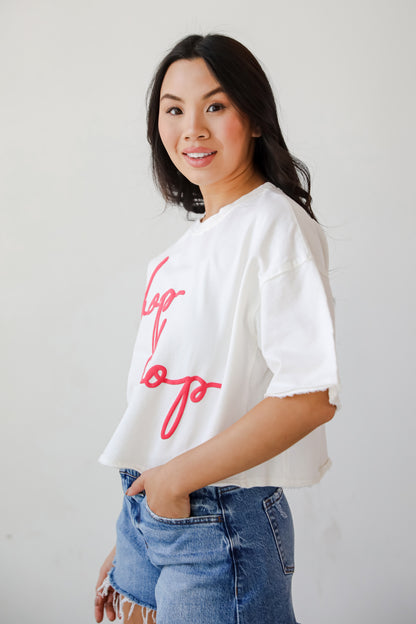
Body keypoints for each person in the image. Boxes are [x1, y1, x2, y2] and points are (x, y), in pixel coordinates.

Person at [94, 33, 340, 624]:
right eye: (174, 110)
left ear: (252, 117)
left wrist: (174, 484)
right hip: (152, 514)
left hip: (218, 520)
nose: (192, 129)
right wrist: (138, 530)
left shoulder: (275, 225)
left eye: (215, 105)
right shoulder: (177, 255)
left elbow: (309, 396)